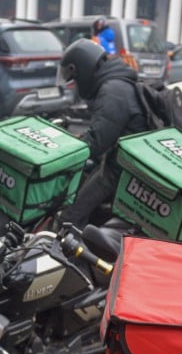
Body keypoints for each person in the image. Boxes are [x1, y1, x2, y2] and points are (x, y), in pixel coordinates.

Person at [57, 38, 148, 228]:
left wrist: (61, 152)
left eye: (75, 78)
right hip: (124, 161)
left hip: (119, 169)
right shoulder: (117, 82)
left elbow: (97, 141)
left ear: (83, 69)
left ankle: (65, 249)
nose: (76, 84)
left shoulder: (112, 90)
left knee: (70, 215)